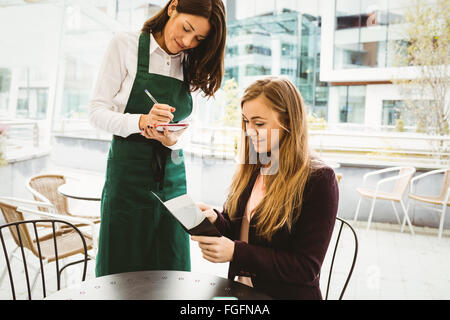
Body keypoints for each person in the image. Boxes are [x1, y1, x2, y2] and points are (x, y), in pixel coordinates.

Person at [88, 0, 226, 277]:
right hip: (127, 179)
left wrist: (172, 139)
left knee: (171, 269)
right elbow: (96, 112)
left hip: (173, 179)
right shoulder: (124, 45)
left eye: (198, 38)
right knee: (122, 270)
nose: (187, 41)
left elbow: (192, 128)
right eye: (186, 28)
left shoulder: (192, 62)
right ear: (173, 6)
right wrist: (140, 121)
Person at [192, 77, 339, 299]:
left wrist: (235, 252)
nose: (249, 131)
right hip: (243, 294)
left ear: (288, 121)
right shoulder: (254, 165)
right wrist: (214, 219)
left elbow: (306, 268)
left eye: (259, 123)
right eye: (245, 121)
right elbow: (238, 230)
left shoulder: (319, 179)